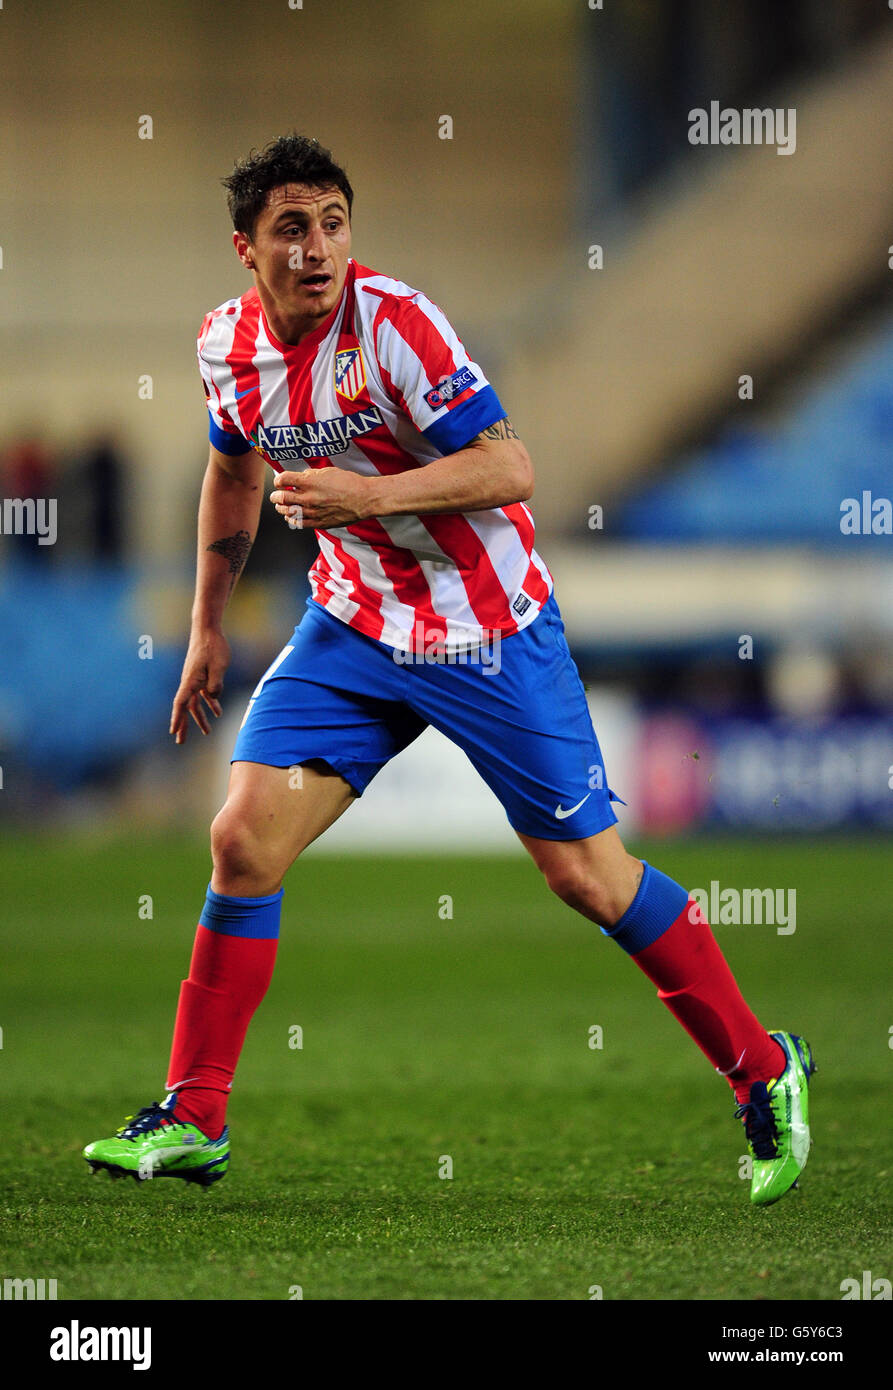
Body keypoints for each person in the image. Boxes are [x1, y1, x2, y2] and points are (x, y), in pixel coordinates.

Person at [83, 135, 814, 1205]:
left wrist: (363, 498)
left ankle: (762, 1070)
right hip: (352, 627)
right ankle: (194, 1115)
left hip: (484, 629)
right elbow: (232, 470)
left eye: (333, 222)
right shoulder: (223, 349)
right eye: (292, 228)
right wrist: (205, 625)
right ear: (246, 249)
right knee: (240, 839)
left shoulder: (397, 325)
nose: (318, 247)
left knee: (586, 878)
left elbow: (511, 465)